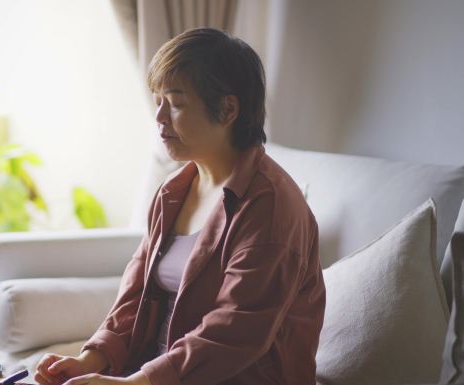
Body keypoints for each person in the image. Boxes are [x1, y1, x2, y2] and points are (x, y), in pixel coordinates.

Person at [35, 27, 326, 385]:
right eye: (157, 100)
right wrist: (90, 359)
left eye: (175, 103)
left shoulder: (272, 207)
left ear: (228, 108)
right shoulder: (175, 190)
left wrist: (138, 383)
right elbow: (136, 293)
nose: (158, 117)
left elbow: (235, 329)